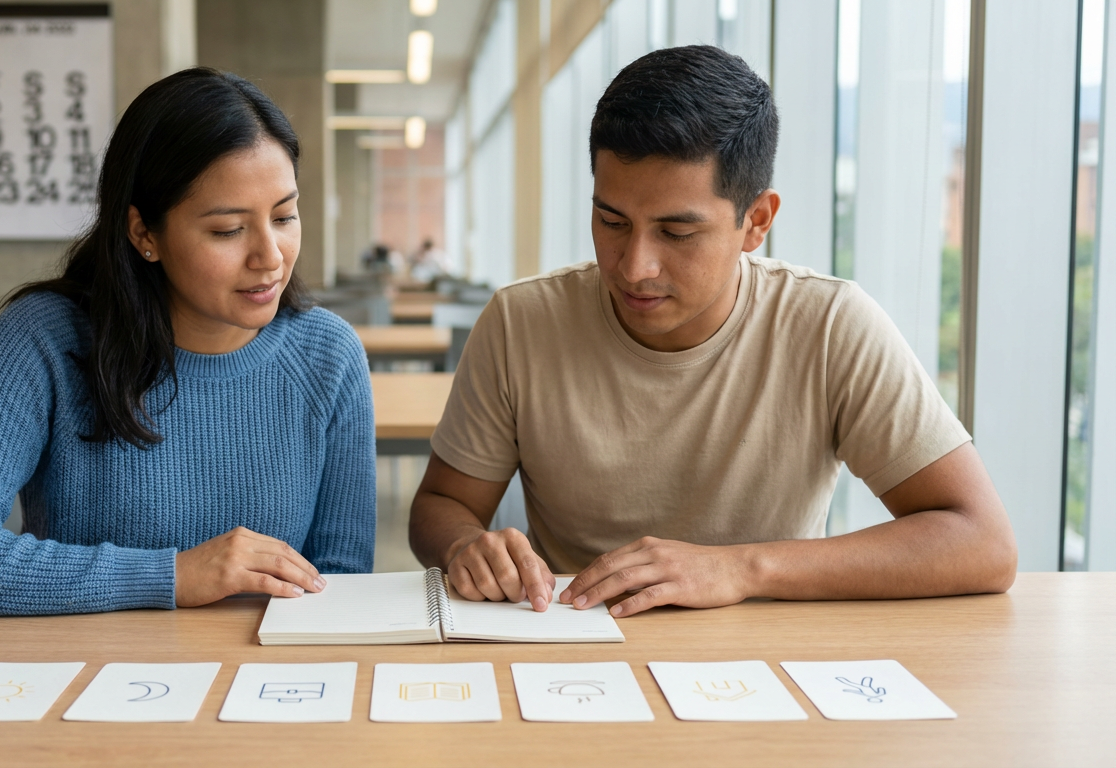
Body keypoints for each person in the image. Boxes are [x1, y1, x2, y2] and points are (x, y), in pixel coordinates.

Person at [409, 45, 1017, 617]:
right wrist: (465, 543)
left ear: (756, 221)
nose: (634, 266)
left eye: (677, 233)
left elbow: (982, 542)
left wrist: (744, 569)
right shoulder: (521, 322)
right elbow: (443, 505)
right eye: (611, 220)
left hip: (770, 658)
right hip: (581, 645)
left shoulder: (829, 325)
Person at [0, 68, 376, 616]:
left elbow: (344, 588)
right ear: (144, 233)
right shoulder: (45, 338)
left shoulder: (328, 355)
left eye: (284, 216)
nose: (271, 255)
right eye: (228, 230)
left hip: (259, 687)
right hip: (84, 680)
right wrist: (170, 576)